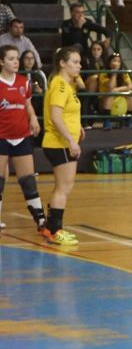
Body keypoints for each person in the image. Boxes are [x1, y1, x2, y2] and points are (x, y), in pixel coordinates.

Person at [40, 47, 85, 246]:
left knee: (61, 187)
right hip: (59, 144)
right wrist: (71, 140)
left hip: (61, 142)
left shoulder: (68, 86)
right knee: (64, 188)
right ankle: (56, 230)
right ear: (62, 63)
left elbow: (67, 113)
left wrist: (79, 128)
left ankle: (50, 228)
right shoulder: (59, 85)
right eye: (74, 62)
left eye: (79, 62)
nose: (79, 66)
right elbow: (56, 117)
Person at [0, 45, 46, 233]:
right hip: (1, 137)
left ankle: (41, 220)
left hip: (21, 136)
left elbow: (27, 104)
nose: (15, 62)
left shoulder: (23, 82)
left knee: (28, 180)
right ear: (1, 62)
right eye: (11, 58)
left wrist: (33, 118)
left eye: (16, 58)